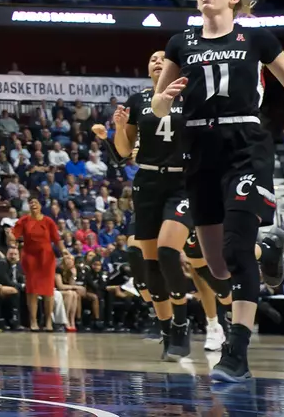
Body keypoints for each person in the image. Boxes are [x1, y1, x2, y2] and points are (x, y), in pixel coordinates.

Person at [153, 0, 284, 384]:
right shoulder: (180, 43)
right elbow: (161, 110)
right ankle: (267, 250)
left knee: (233, 249)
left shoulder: (257, 38)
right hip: (198, 148)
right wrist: (163, 99)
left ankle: (237, 351)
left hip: (244, 143)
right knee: (216, 268)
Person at [98, 50, 212, 360]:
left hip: (183, 182)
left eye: (163, 57)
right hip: (147, 182)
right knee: (149, 265)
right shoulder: (138, 100)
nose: (157, 61)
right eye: (152, 59)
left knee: (166, 250)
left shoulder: (191, 95)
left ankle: (182, 321)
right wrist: (120, 129)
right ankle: (167, 330)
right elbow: (122, 153)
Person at [13, 197, 61, 331]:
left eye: (36, 202)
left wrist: (64, 251)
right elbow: (14, 235)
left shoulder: (48, 221)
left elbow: (57, 239)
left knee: (48, 291)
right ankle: (33, 322)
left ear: (40, 206)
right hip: (30, 257)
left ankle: (48, 322)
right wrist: (10, 237)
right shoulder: (24, 220)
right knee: (32, 290)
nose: (33, 204)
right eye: (31, 203)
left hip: (47, 258)